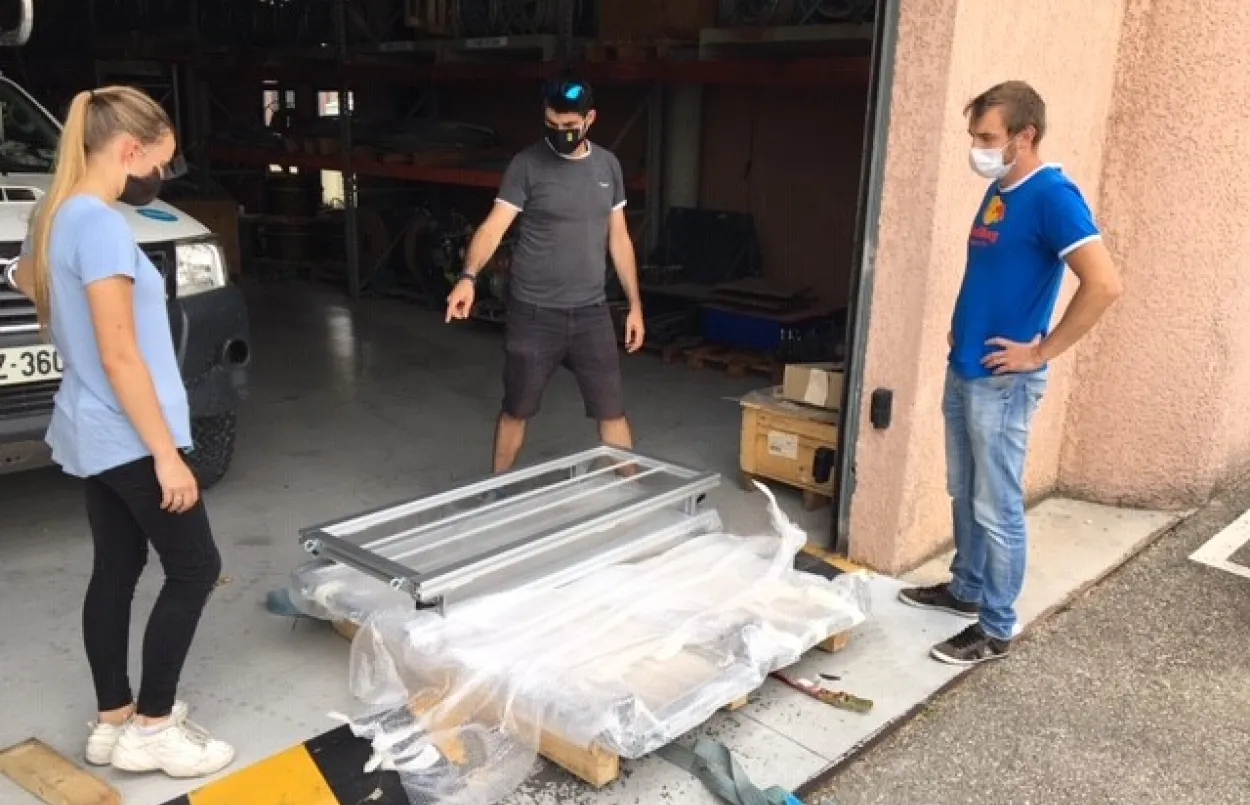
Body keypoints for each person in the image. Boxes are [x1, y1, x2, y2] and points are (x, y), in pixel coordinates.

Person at [12, 86, 234, 777]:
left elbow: (26, 278)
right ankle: (153, 726)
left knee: (117, 566)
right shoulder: (102, 225)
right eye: (160, 163)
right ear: (131, 150)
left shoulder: (54, 213)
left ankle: (113, 718)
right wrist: (167, 454)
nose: (161, 176)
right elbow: (120, 354)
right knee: (196, 568)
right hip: (132, 433)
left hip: (90, 427)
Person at [898, 81, 1124, 666]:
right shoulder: (1001, 189)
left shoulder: (1053, 196)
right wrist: (961, 327)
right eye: (974, 137)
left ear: (1026, 135)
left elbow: (1104, 284)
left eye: (988, 137)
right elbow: (990, 272)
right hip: (966, 368)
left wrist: (1040, 351)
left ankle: (996, 627)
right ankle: (966, 589)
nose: (977, 148)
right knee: (964, 490)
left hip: (1003, 383)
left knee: (996, 504)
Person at [446, 77, 645, 472]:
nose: (560, 133)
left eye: (569, 126)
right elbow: (492, 228)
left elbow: (620, 240)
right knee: (516, 409)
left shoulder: (608, 166)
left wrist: (635, 306)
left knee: (612, 410)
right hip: (534, 316)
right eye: (551, 125)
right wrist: (468, 276)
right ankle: (497, 491)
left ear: (590, 119)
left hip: (591, 314)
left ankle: (633, 487)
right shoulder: (527, 165)